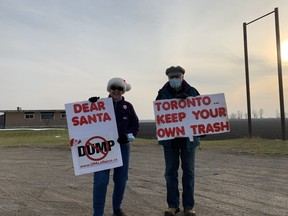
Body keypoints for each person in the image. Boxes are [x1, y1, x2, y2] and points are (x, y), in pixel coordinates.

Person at [89, 77, 139, 216]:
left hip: (122, 147)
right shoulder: (98, 104)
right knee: (100, 181)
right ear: (109, 89)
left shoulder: (128, 106)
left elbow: (135, 126)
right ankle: (97, 213)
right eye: (113, 88)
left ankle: (117, 209)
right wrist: (89, 106)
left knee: (121, 179)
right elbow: (85, 122)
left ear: (123, 91)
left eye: (119, 89)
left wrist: (128, 136)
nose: (116, 91)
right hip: (102, 147)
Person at [156, 66, 200, 216]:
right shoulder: (162, 94)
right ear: (168, 78)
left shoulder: (192, 91)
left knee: (189, 172)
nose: (174, 79)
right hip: (170, 140)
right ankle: (172, 205)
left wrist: (203, 130)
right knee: (170, 172)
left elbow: (201, 113)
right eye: (171, 77)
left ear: (182, 76)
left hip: (189, 140)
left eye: (177, 76)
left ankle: (189, 206)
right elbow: (159, 115)